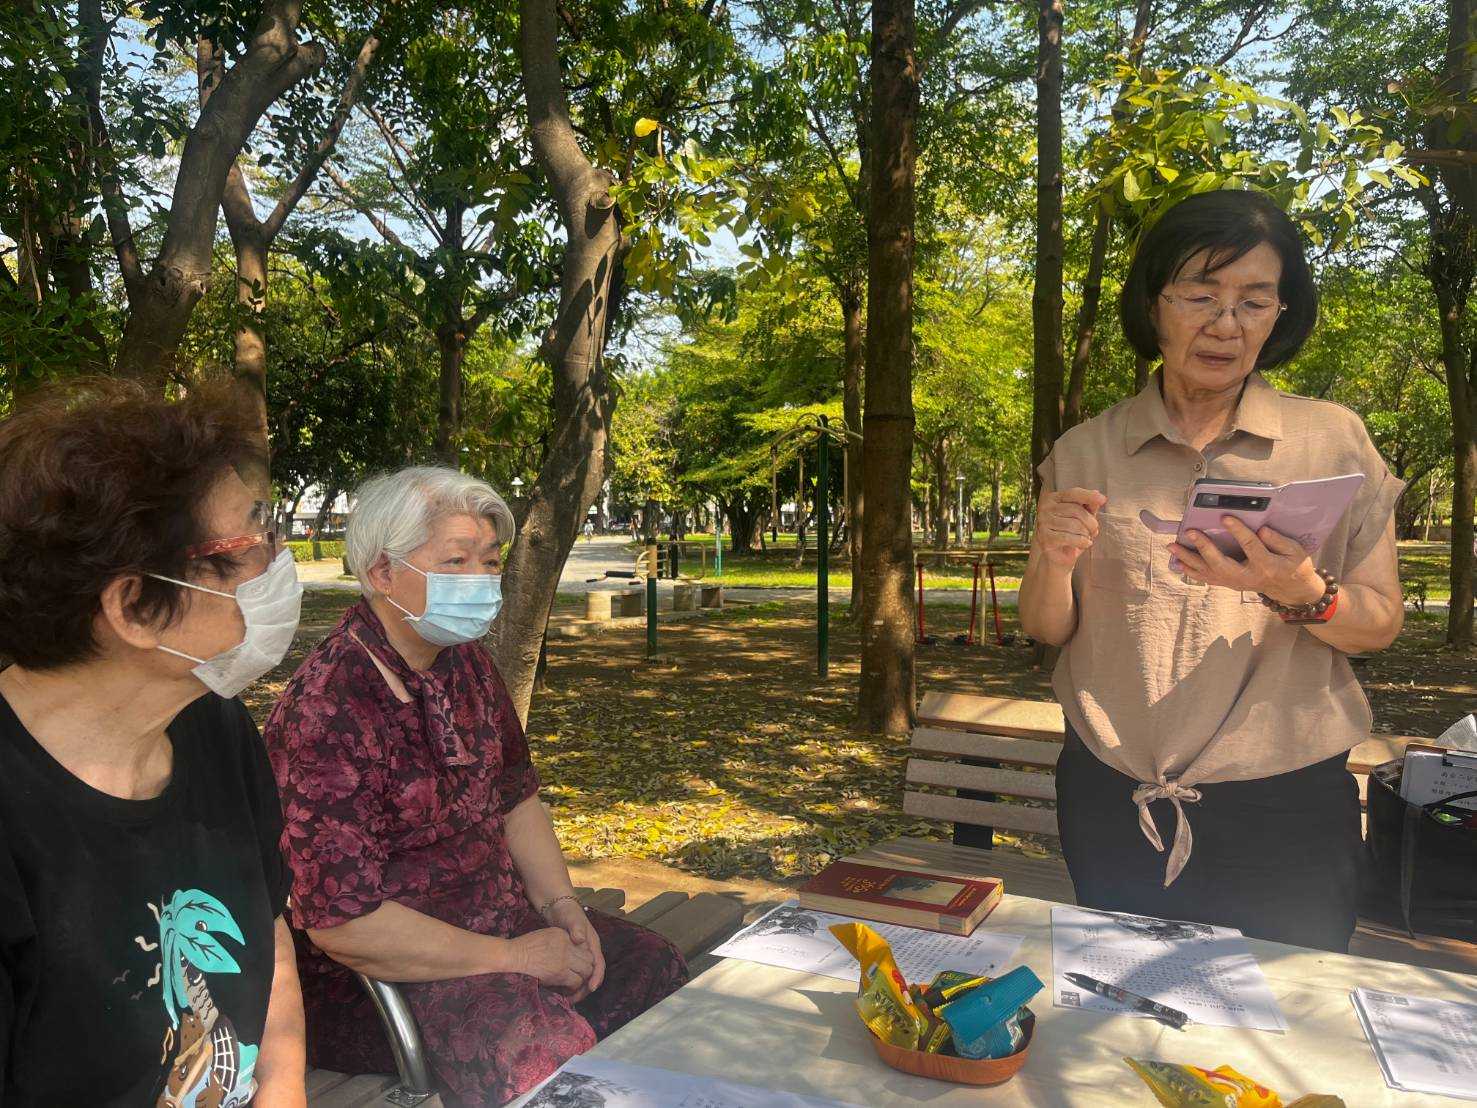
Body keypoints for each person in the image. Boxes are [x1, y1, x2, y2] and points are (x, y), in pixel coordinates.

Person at [1018, 189, 1404, 953]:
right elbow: (1046, 627)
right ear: (1152, 304)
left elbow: (1378, 623)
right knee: (1123, 1006)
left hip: (1284, 806)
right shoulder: (1084, 450)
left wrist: (1301, 592)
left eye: (1254, 302)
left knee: (1286, 1013)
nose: (1226, 324)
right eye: (1199, 295)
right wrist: (1054, 562)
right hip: (1111, 794)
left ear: (1280, 314)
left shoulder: (1331, 441)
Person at [264, 466, 687, 1107]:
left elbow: (517, 798)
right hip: (389, 977)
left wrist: (563, 910)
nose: (482, 580)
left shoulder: (466, 664)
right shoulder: (328, 708)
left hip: (506, 925)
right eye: (456, 561)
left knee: (652, 970)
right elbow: (343, 925)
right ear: (382, 573)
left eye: (490, 561)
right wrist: (516, 958)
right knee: (539, 1054)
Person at [0, 382, 306, 1105]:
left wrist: (284, 1090)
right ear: (136, 607)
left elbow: (268, 933)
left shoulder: (212, 724)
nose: (280, 560)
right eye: (253, 540)